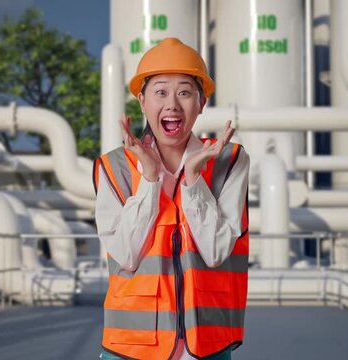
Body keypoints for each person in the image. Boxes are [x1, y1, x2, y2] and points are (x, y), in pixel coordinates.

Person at [94, 37, 250, 360]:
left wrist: (193, 180)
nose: (172, 105)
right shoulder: (113, 168)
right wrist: (150, 180)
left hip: (206, 348)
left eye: (184, 92)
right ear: (141, 100)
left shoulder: (230, 160)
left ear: (202, 101)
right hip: (131, 349)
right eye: (160, 92)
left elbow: (217, 250)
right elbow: (126, 254)